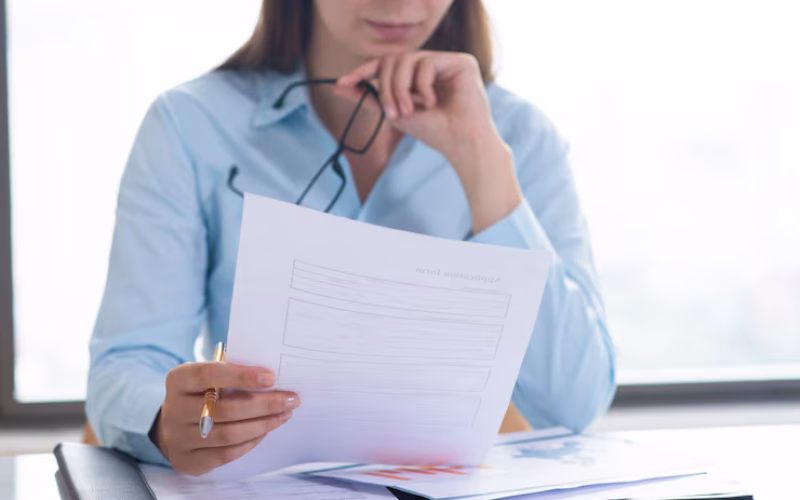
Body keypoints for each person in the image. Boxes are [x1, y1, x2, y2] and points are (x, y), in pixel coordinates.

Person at [87, 0, 615, 476]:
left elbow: (572, 404)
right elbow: (126, 364)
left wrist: (481, 160)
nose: (401, 3)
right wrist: (164, 418)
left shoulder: (519, 135)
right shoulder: (190, 124)